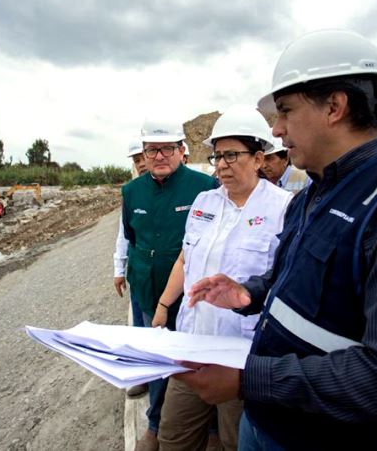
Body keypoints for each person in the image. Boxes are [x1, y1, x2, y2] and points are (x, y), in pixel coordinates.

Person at [177, 29, 377, 450]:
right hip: (267, 423)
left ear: (335, 106)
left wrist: (246, 378)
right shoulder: (311, 195)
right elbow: (296, 281)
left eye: (286, 111)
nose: (276, 129)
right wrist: (250, 293)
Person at [153, 105, 293, 451]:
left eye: (231, 155)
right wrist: (163, 304)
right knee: (173, 438)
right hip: (191, 345)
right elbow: (186, 258)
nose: (221, 165)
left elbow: (285, 283)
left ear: (259, 158)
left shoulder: (285, 208)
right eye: (217, 156)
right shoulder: (204, 203)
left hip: (242, 357)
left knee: (236, 441)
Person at [122, 118, 216, 451]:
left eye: (166, 149)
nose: (159, 156)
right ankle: (155, 426)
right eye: (152, 150)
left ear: (181, 151)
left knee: (201, 359)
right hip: (150, 293)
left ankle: (211, 430)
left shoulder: (205, 187)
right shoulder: (131, 192)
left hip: (194, 295)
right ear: (143, 154)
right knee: (159, 361)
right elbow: (131, 236)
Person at [113, 137, 150, 398]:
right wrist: (119, 268)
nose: (141, 164)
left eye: (142, 157)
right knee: (139, 326)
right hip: (138, 273)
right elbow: (123, 234)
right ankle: (144, 376)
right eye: (136, 160)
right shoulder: (131, 192)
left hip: (167, 275)